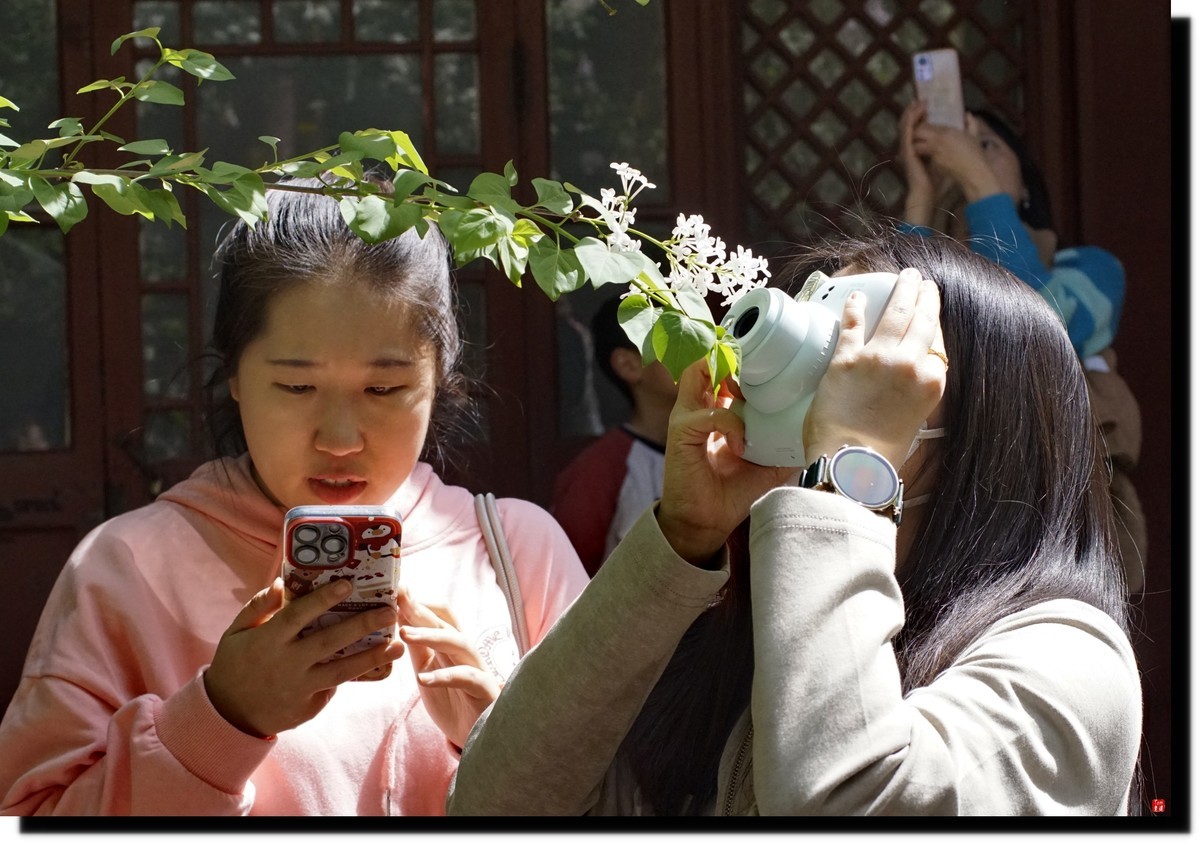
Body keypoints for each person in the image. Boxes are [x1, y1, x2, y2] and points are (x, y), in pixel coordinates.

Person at [446, 229, 1142, 816]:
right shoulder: (734, 643)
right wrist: (680, 541)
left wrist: (849, 466)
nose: (831, 374)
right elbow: (494, 804)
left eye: (866, 350)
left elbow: (839, 804)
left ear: (984, 422)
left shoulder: (1070, 659)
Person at [0, 177, 589, 815]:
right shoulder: (125, 567)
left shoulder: (516, 553)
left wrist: (504, 748)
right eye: (296, 388)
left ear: (440, 377)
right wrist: (221, 720)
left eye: (383, 390)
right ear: (234, 373)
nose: (339, 440)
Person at [897, 100, 1147, 593]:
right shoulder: (929, 274)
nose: (961, 154)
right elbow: (894, 329)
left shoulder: (1092, 268)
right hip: (942, 513)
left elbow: (1038, 328)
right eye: (944, 149)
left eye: (985, 144)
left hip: (1052, 522)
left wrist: (980, 185)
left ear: (1026, 184)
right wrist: (920, 199)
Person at [552, 294, 680, 576]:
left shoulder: (727, 445)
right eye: (673, 341)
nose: (699, 351)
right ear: (628, 365)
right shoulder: (598, 471)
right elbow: (567, 578)